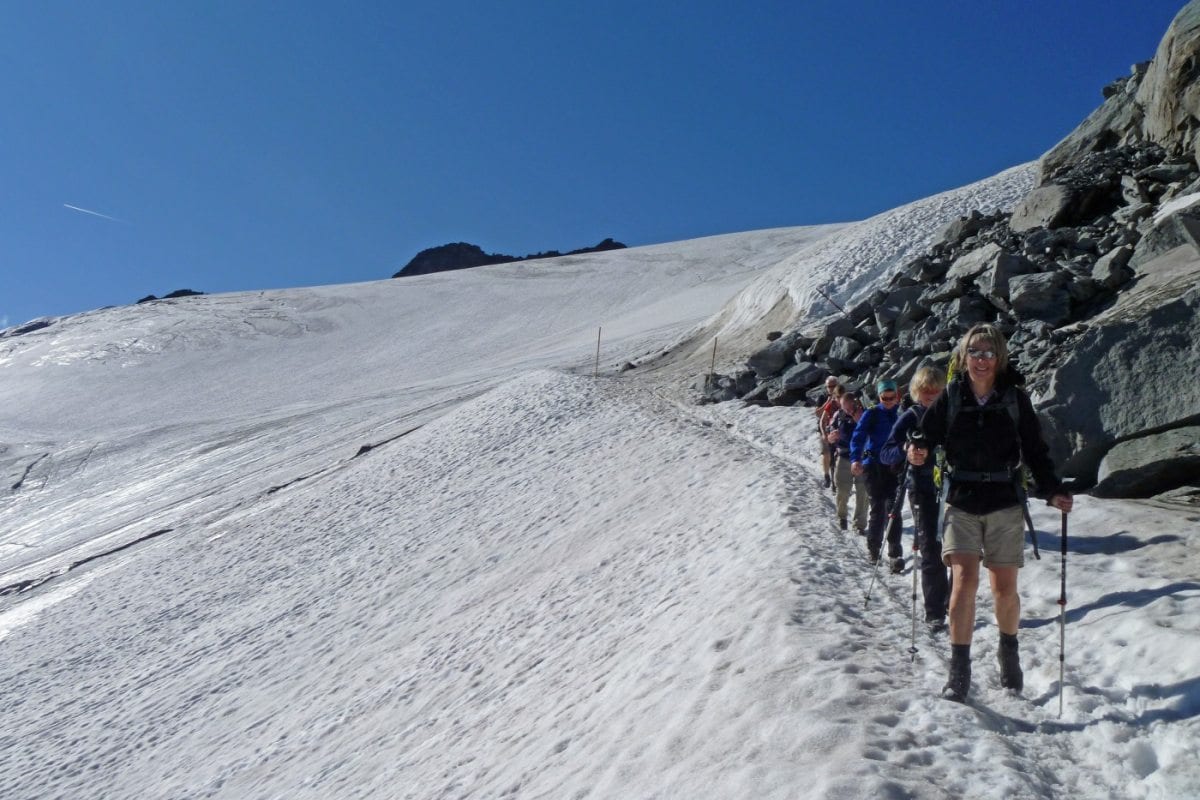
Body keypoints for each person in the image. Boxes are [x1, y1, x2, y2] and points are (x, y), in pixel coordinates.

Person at [913, 323, 1073, 702]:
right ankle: (959, 671)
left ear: (999, 357)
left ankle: (1009, 651)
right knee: (964, 581)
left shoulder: (1015, 398)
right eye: (974, 352)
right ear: (963, 357)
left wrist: (1051, 490)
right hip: (962, 500)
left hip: (1004, 501)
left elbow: (1035, 449)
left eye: (988, 353)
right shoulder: (952, 395)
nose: (981, 360)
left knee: (1004, 590)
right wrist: (916, 451)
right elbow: (924, 435)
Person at [880, 365, 951, 631]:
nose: (931, 394)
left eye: (936, 389)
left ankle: (951, 602)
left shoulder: (952, 413)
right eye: (925, 390)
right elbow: (886, 452)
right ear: (916, 391)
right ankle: (935, 611)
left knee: (958, 552)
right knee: (931, 550)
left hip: (954, 491)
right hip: (922, 489)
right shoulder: (911, 416)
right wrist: (905, 449)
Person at [849, 379, 902, 568]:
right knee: (878, 507)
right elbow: (858, 435)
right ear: (879, 396)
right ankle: (873, 549)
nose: (888, 400)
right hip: (873, 466)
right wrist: (855, 458)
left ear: (897, 396)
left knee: (893, 509)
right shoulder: (872, 413)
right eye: (884, 397)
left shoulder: (902, 414)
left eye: (891, 397)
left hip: (894, 467)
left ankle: (895, 553)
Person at [826, 389, 867, 533]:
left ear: (856, 403)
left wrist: (860, 421)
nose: (848, 410)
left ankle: (859, 525)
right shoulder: (838, 416)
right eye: (845, 407)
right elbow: (829, 435)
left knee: (863, 492)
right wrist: (832, 437)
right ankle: (842, 516)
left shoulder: (865, 414)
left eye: (850, 407)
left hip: (863, 458)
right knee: (842, 490)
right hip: (844, 457)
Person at [814, 376, 840, 488]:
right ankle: (826, 476)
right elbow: (818, 413)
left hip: (838, 430)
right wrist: (827, 403)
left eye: (834, 386)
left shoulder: (841, 396)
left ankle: (836, 480)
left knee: (838, 456)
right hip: (825, 429)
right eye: (829, 386)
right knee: (826, 453)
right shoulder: (822, 397)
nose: (831, 388)